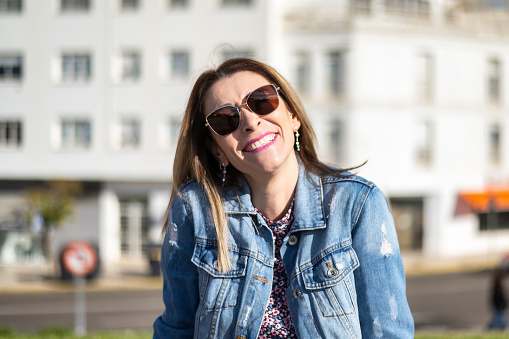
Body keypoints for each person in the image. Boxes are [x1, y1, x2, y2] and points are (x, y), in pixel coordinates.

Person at [153, 57, 414, 338]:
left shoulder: (358, 204)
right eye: (226, 119)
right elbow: (176, 330)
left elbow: (388, 332)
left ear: (293, 116)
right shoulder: (195, 209)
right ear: (217, 150)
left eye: (262, 101)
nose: (251, 121)